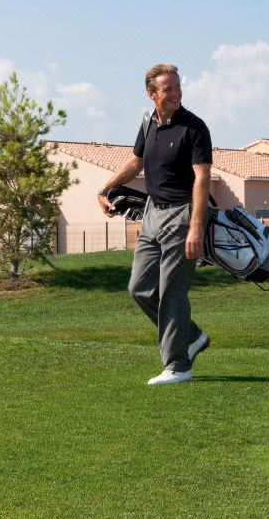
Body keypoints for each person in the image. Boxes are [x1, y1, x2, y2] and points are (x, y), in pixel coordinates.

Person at [98, 64, 212, 386]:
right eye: (168, 89)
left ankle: (178, 366)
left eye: (178, 87)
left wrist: (196, 227)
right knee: (139, 287)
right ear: (152, 94)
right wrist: (106, 188)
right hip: (151, 214)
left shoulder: (195, 127)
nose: (176, 93)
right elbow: (135, 163)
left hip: (182, 214)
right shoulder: (148, 123)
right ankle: (191, 337)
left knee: (172, 291)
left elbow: (202, 177)